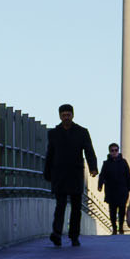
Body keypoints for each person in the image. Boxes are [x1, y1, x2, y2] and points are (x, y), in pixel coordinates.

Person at [43, 103, 98, 247]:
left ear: (72, 115)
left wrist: (93, 168)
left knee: (75, 207)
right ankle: (57, 234)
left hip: (75, 173)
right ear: (60, 116)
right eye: (63, 115)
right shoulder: (53, 133)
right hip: (59, 174)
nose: (66, 117)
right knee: (60, 206)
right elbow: (50, 154)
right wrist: (47, 172)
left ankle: (74, 236)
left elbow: (89, 151)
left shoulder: (82, 132)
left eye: (68, 115)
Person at [97, 143, 130, 234]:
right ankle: (114, 228)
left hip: (122, 191)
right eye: (112, 150)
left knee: (122, 210)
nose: (114, 152)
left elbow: (128, 176)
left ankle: (121, 228)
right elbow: (102, 175)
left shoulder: (123, 162)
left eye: (116, 150)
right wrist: (100, 185)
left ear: (118, 151)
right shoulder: (106, 164)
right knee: (112, 211)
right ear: (109, 152)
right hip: (111, 191)